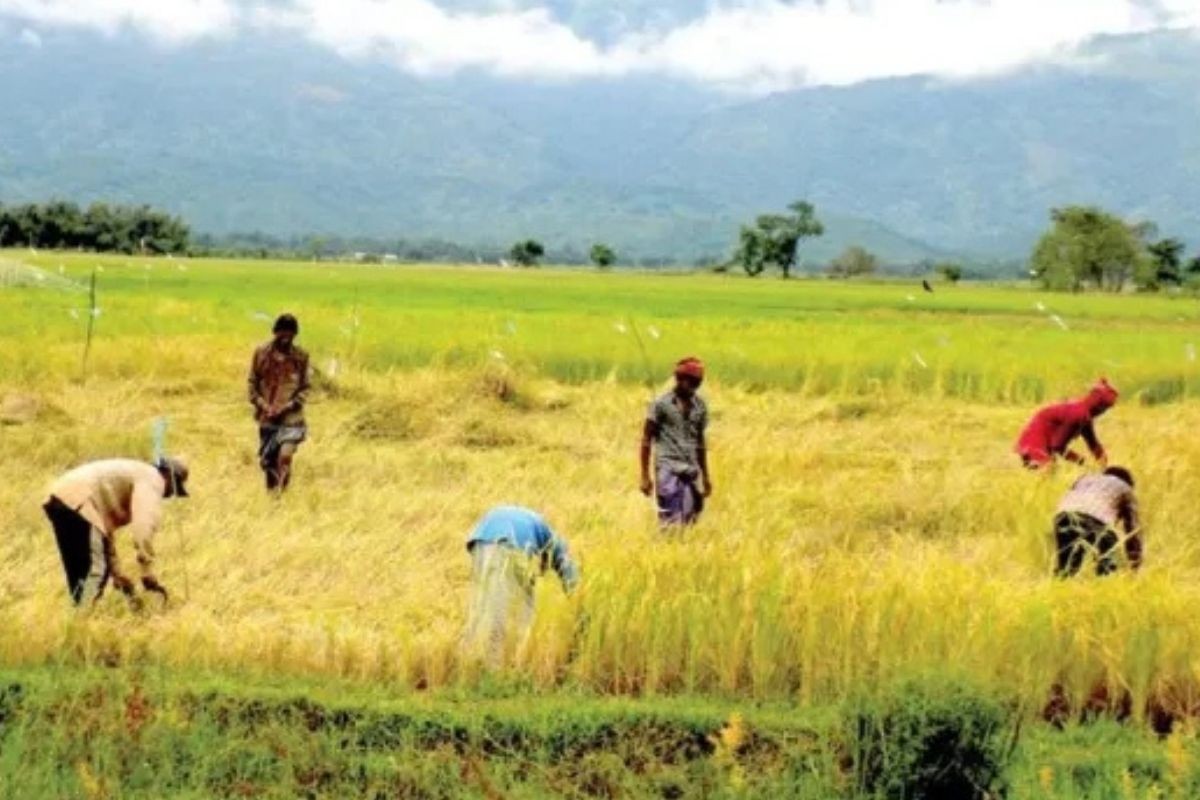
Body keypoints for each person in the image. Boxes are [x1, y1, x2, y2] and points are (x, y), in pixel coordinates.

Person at [42, 457, 189, 607]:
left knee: (80, 571)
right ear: (169, 477)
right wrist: (147, 572)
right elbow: (143, 528)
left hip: (59, 499)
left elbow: (102, 532)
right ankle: (82, 619)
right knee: (95, 572)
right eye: (174, 488)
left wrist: (118, 575)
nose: (170, 495)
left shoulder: (136, 473)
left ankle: (76, 618)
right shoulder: (153, 479)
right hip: (79, 500)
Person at [463, 506, 579, 665]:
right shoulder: (557, 546)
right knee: (524, 611)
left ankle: (470, 658)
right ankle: (507, 665)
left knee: (483, 604)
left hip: (479, 541)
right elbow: (570, 576)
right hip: (511, 543)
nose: (542, 573)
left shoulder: (537, 527)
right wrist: (578, 602)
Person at [640, 357, 712, 526]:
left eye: (697, 383)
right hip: (668, 467)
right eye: (691, 382)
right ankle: (667, 547)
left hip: (691, 468)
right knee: (671, 517)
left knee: (691, 516)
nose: (694, 387)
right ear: (679, 379)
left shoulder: (700, 406)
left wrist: (706, 476)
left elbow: (700, 442)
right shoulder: (660, 404)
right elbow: (646, 440)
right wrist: (645, 476)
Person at [248, 313, 311, 492]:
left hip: (292, 418)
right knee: (269, 462)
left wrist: (288, 406)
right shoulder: (261, 354)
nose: (285, 338)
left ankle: (283, 494)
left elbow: (305, 388)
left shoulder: (301, 357)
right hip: (267, 418)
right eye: (282, 334)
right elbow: (252, 384)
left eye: (290, 335)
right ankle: (272, 497)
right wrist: (263, 405)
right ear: (275, 332)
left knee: (285, 457)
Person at [1053, 466, 1142, 577]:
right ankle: (1105, 585)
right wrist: (1135, 564)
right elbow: (1132, 532)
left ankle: (1061, 585)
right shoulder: (1126, 489)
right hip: (1095, 518)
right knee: (1108, 560)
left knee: (1067, 566)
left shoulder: (1085, 479)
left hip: (1063, 516)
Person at [1015, 379, 1119, 469]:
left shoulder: (1084, 415)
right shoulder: (1078, 414)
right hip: (1034, 442)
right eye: (1105, 407)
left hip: (1038, 443)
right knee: (1048, 469)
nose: (1104, 412)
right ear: (1097, 405)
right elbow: (1058, 446)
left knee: (1050, 470)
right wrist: (1081, 461)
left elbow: (1094, 445)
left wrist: (1104, 468)